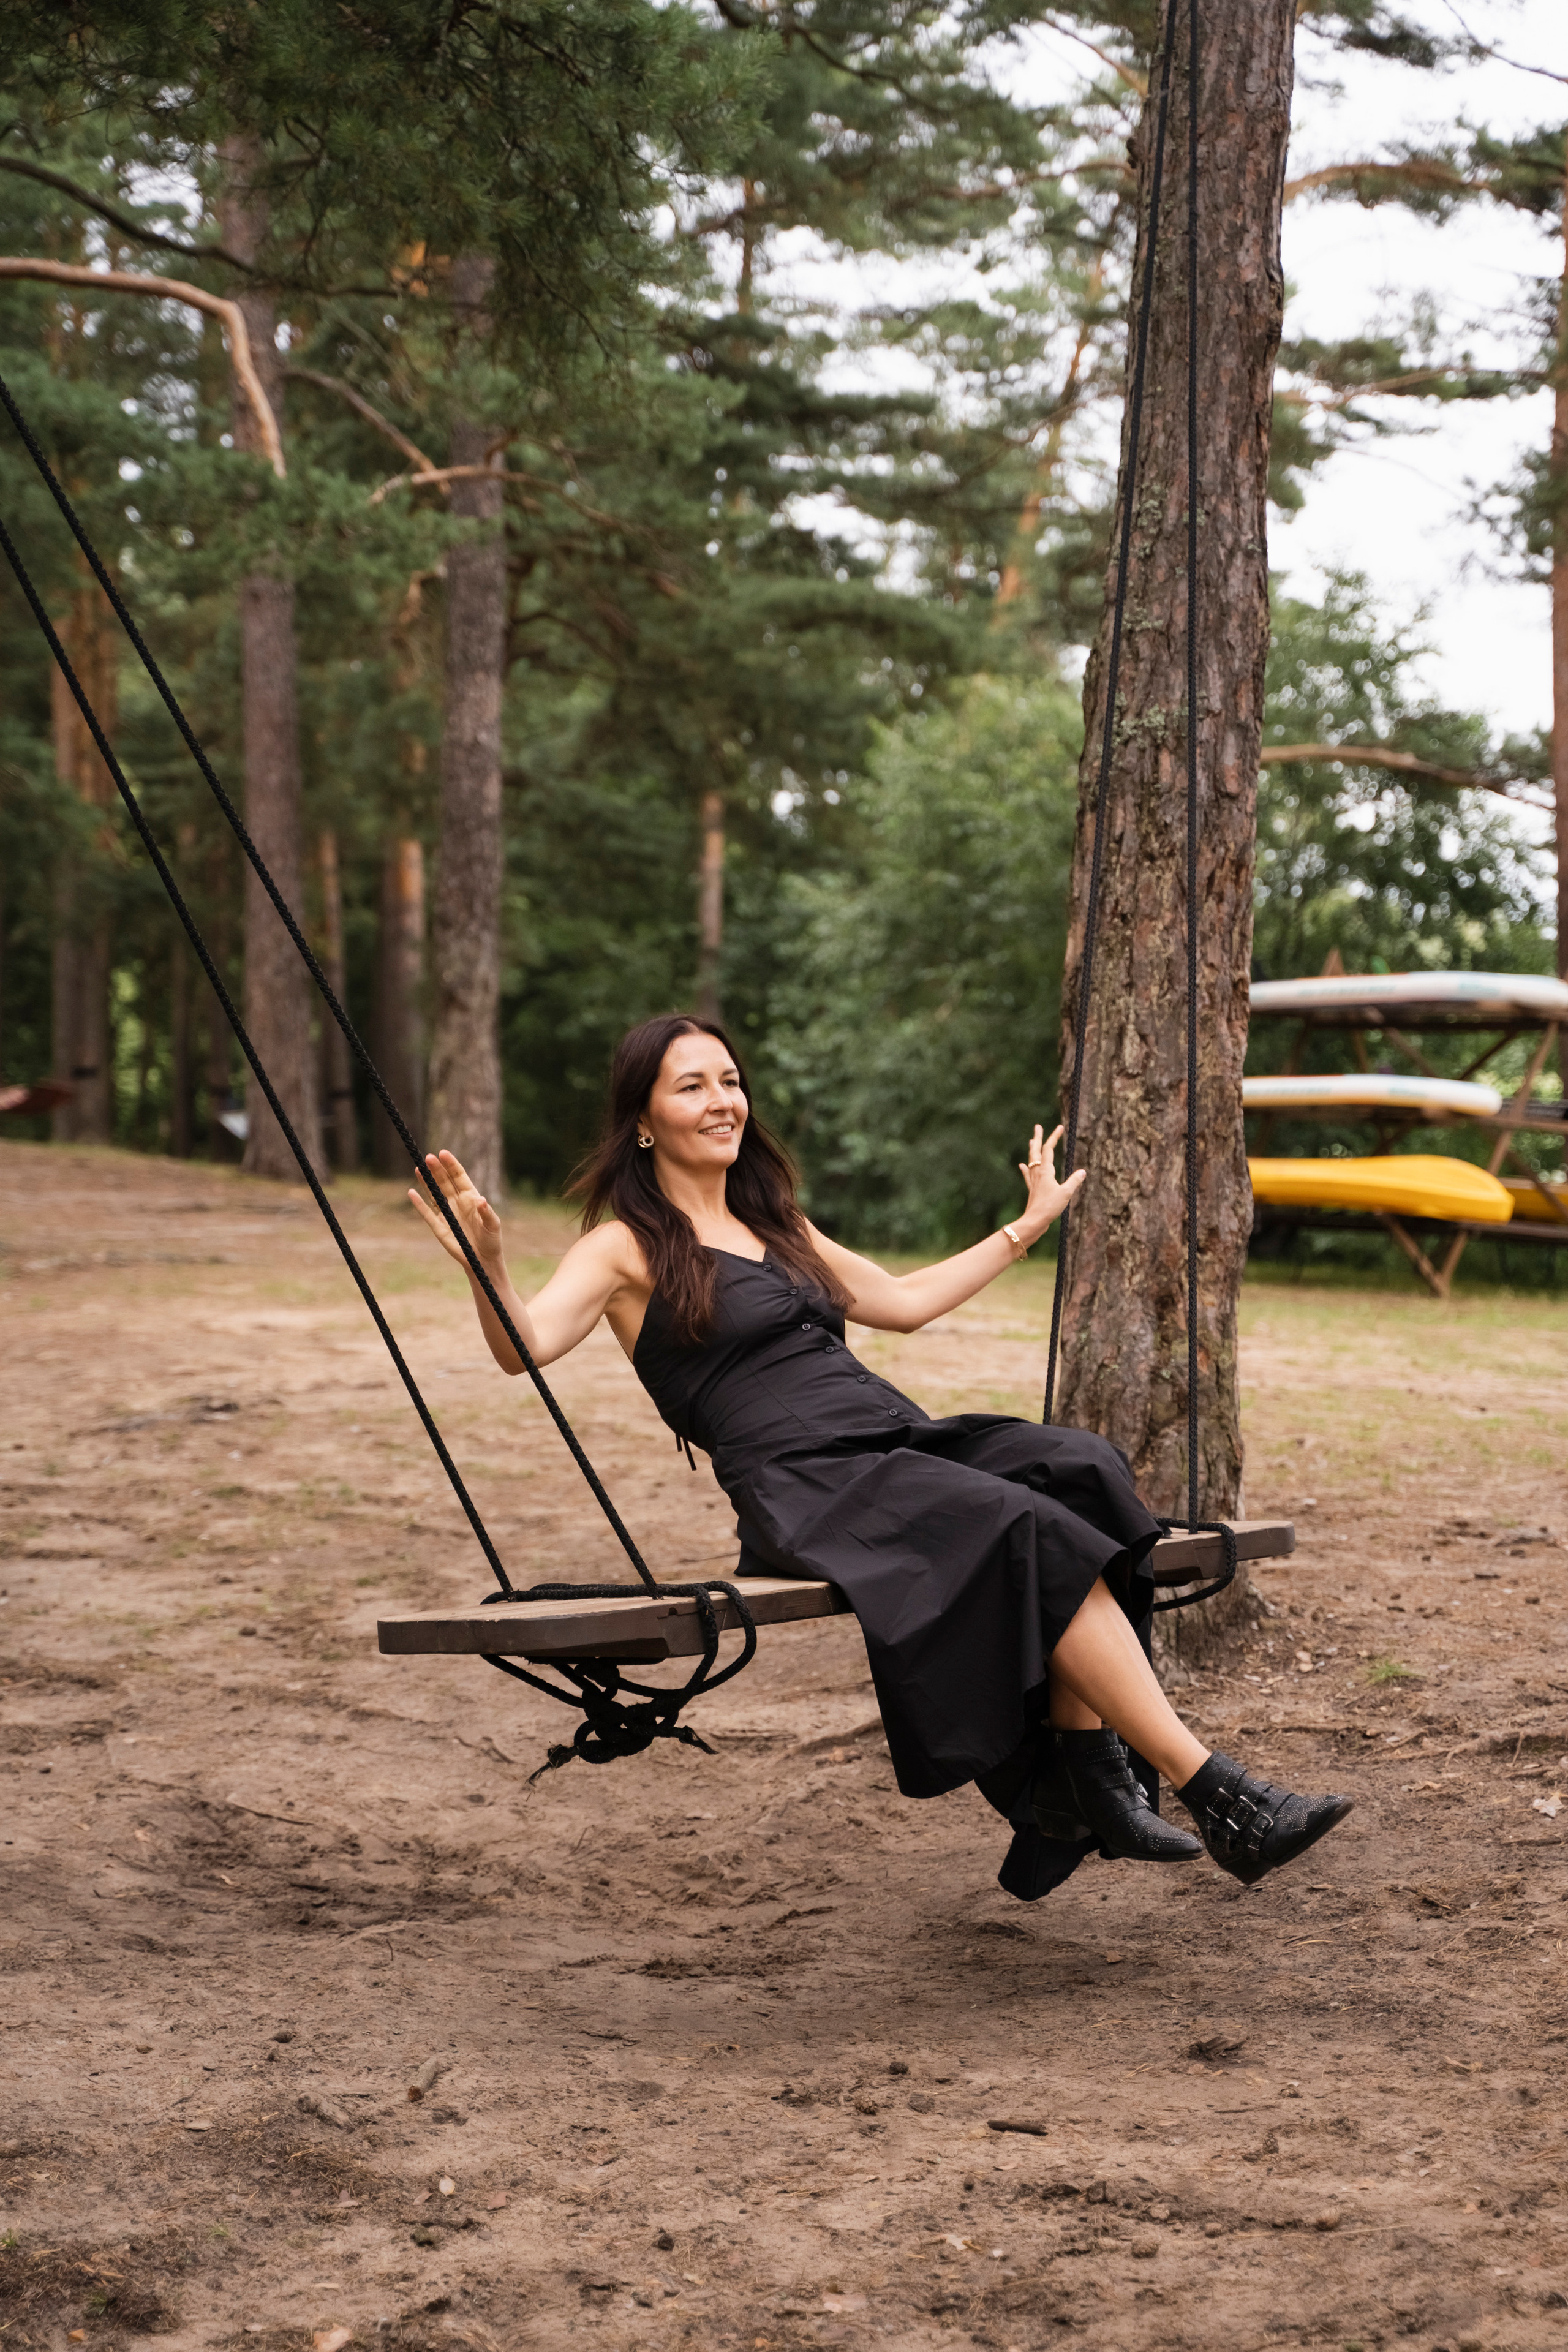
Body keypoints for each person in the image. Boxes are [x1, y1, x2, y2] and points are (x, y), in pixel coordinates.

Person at [409, 1012, 1350, 1899]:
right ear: (644, 1121)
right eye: (691, 1086)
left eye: (730, 1081)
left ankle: (1081, 1775)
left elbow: (900, 1302)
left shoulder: (776, 1222)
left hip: (891, 1439)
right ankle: (1217, 1794)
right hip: (806, 1484)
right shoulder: (624, 1248)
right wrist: (487, 1266)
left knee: (1080, 1468)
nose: (722, 1101)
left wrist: (1028, 1225)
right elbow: (525, 1348)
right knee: (1019, 1523)